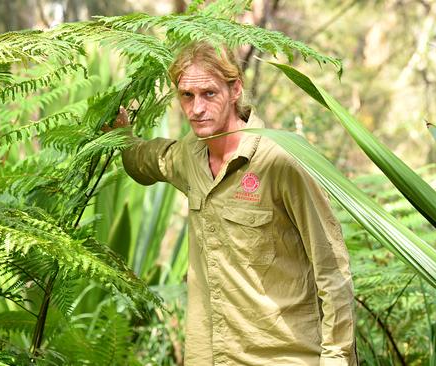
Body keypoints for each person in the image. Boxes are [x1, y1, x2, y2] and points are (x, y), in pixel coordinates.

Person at [113, 42, 356, 366]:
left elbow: (332, 267)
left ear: (235, 89)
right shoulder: (190, 156)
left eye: (209, 93)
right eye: (187, 95)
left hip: (285, 357)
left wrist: (337, 356)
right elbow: (146, 160)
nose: (197, 108)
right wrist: (122, 135)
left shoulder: (280, 161)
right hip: (211, 356)